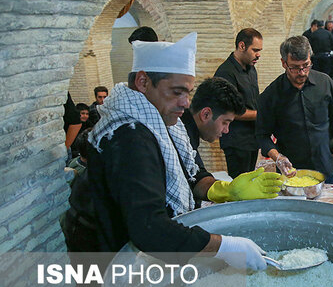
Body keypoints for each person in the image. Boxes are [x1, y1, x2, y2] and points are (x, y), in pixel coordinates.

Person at [83, 32, 282, 269]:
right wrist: (224, 246)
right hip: (121, 260)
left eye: (187, 92)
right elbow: (150, 229)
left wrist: (224, 190)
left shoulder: (162, 122)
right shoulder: (129, 137)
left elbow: (191, 173)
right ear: (143, 82)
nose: (187, 103)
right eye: (177, 92)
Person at [256, 35, 333, 184]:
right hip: (291, 171)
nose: (302, 72)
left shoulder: (325, 83)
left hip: (324, 167)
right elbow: (262, 135)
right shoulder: (271, 95)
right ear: (284, 63)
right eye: (294, 67)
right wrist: (278, 158)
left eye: (306, 65)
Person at [179, 76, 246, 208]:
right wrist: (228, 190)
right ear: (205, 114)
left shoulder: (189, 132)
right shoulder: (180, 133)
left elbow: (197, 176)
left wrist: (227, 189)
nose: (226, 130)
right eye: (225, 123)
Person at [214, 28, 263, 177]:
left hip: (252, 138)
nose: (258, 55)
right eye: (255, 50)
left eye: (260, 50)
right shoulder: (225, 73)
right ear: (242, 46)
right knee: (240, 186)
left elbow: (254, 99)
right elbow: (230, 112)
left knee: (251, 181)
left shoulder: (251, 69)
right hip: (237, 141)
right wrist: (263, 114)